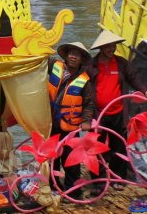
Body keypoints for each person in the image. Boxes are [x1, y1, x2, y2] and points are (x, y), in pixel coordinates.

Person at [87, 30, 147, 192]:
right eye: (108, 46)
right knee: (95, 148)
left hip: (118, 113)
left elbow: (134, 78)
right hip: (98, 114)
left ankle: (118, 179)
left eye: (113, 45)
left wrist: (145, 91)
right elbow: (83, 86)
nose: (111, 48)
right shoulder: (91, 66)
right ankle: (98, 182)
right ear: (101, 47)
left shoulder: (121, 63)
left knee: (119, 146)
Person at [47, 42, 95, 199]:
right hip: (51, 122)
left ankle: (73, 192)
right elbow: (38, 61)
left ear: (81, 59)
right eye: (71, 53)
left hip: (70, 127)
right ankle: (52, 186)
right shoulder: (54, 65)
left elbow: (89, 103)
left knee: (71, 160)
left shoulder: (85, 80)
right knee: (52, 158)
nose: (73, 57)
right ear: (66, 55)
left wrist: (86, 121)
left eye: (77, 54)